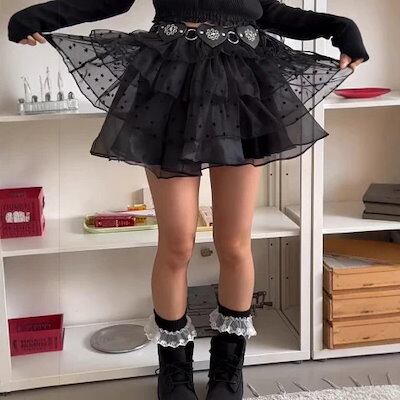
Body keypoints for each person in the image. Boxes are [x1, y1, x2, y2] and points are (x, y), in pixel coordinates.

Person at [8, 1, 368, 399]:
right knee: (177, 243)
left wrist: (340, 26)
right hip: (172, 84)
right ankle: (173, 371)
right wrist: (39, 17)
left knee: (235, 244)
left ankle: (227, 370)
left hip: (241, 87)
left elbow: (269, 10)